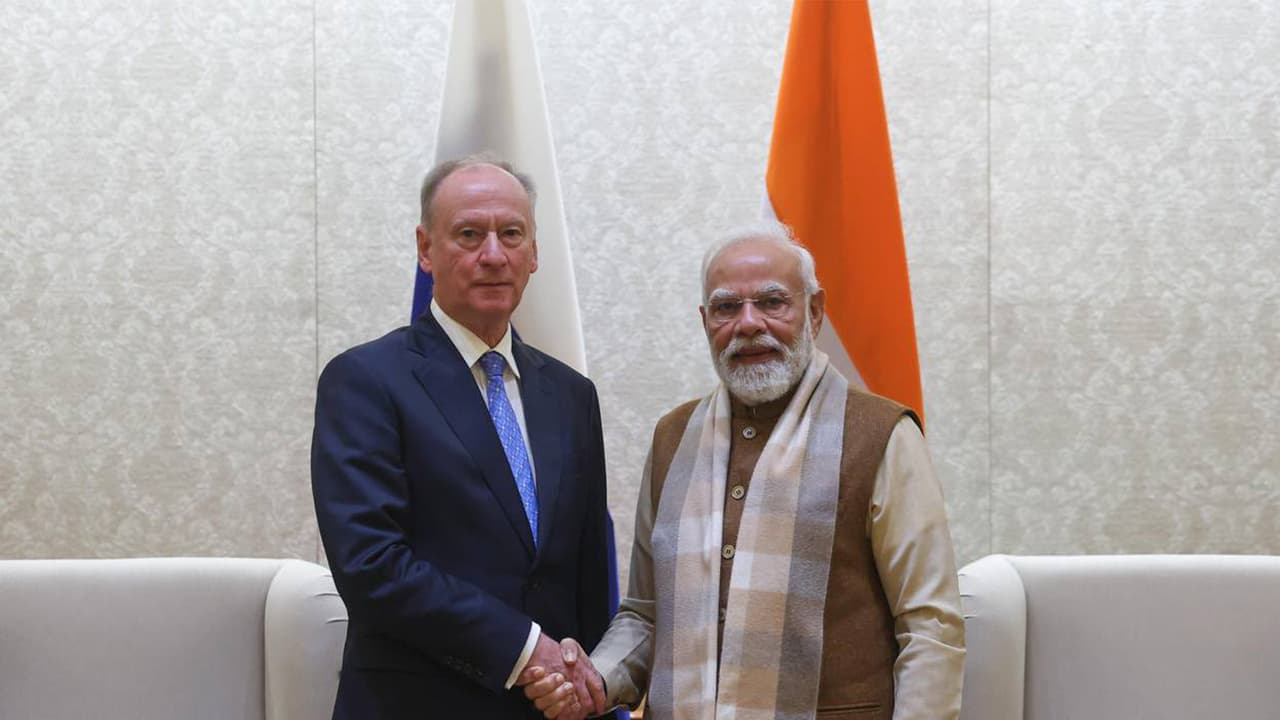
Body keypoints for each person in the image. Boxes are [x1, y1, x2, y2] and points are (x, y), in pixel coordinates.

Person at [525, 220, 965, 720]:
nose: (749, 323)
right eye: (727, 307)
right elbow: (646, 616)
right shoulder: (673, 437)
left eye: (773, 302)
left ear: (815, 312)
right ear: (705, 320)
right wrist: (597, 679)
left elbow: (930, 626)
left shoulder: (882, 434)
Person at [311, 156, 613, 719]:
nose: (493, 255)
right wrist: (527, 652)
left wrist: (585, 680)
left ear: (535, 253)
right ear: (426, 249)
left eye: (512, 234)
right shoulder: (366, 380)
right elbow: (373, 565)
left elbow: (589, 570)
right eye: (469, 234)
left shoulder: (572, 395)